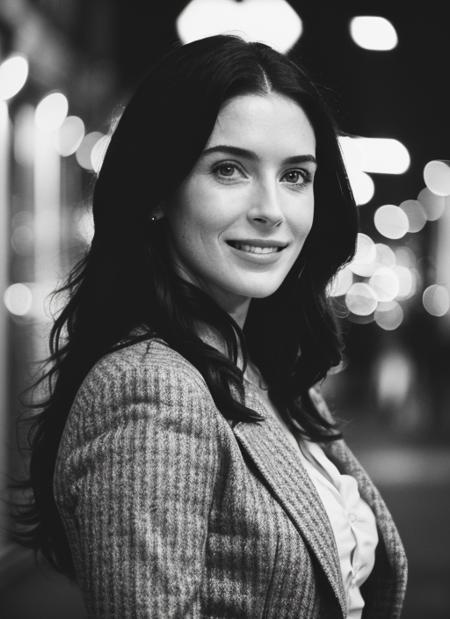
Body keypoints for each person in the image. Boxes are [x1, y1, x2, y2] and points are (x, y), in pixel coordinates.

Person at [14, 34, 407, 618]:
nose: (271, 209)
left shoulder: (263, 364)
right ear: (158, 189)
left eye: (296, 176)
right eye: (229, 169)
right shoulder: (150, 388)